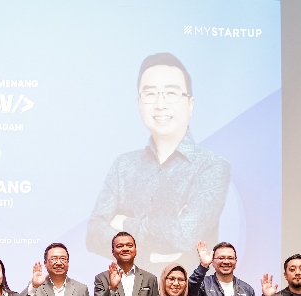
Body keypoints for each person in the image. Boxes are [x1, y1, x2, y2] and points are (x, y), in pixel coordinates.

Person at [86, 52, 231, 275]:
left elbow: (184, 234)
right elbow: (94, 234)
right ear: (139, 102)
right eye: (150, 94)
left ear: (190, 104)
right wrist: (147, 257)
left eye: (171, 93)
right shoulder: (123, 165)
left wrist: (124, 224)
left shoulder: (212, 167)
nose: (160, 104)